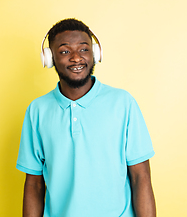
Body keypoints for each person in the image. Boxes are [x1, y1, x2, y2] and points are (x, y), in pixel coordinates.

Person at [16, 18, 156, 217]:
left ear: (95, 53)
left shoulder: (123, 103)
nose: (76, 58)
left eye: (83, 49)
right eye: (64, 51)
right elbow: (34, 184)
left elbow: (140, 177)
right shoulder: (37, 110)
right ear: (49, 58)